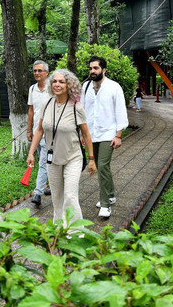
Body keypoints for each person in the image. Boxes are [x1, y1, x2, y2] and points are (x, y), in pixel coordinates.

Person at [27, 69, 96, 223]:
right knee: (57, 197)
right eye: (55, 81)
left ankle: (76, 232)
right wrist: (31, 152)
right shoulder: (47, 103)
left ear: (69, 85)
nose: (57, 84)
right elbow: (39, 130)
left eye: (61, 82)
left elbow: (86, 134)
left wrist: (91, 159)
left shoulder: (76, 107)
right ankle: (59, 228)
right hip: (52, 159)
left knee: (70, 196)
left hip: (73, 157)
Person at [82, 56, 129, 219]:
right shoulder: (86, 87)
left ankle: (105, 204)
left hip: (108, 134)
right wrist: (83, 134)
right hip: (91, 134)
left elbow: (120, 111)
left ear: (104, 70)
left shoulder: (114, 87)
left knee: (101, 165)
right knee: (102, 167)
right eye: (90, 68)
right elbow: (82, 112)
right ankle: (110, 194)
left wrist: (118, 135)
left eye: (95, 68)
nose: (92, 71)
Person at [27, 60, 52, 206]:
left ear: (47, 73)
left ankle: (37, 193)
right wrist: (29, 129)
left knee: (43, 162)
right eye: (35, 71)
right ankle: (53, 186)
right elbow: (31, 110)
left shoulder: (54, 88)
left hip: (49, 132)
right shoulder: (32, 89)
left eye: (40, 70)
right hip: (37, 132)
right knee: (47, 162)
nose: (37, 73)